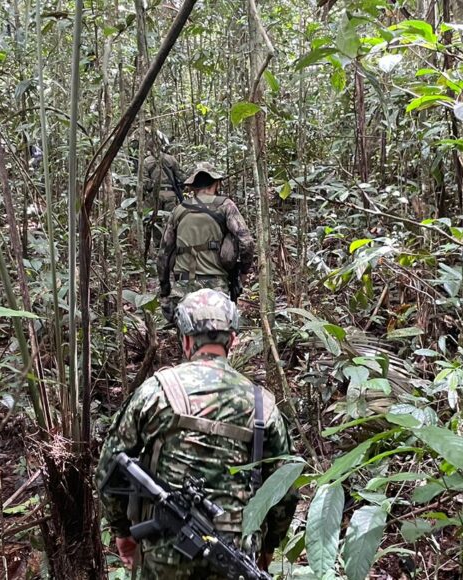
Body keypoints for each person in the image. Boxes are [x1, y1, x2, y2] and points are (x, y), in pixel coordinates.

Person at [94, 289, 297, 579]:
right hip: (237, 556)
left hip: (165, 556)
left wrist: (122, 532)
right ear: (233, 340)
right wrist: (268, 548)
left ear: (186, 340)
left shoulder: (154, 392)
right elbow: (284, 489)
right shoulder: (263, 406)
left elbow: (108, 468)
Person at [157, 162, 255, 321]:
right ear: (216, 184)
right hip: (217, 285)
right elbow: (246, 241)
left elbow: (163, 255)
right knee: (224, 327)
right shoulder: (226, 206)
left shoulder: (178, 210)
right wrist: (243, 273)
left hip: (183, 286)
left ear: (192, 187)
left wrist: (165, 288)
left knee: (183, 329)